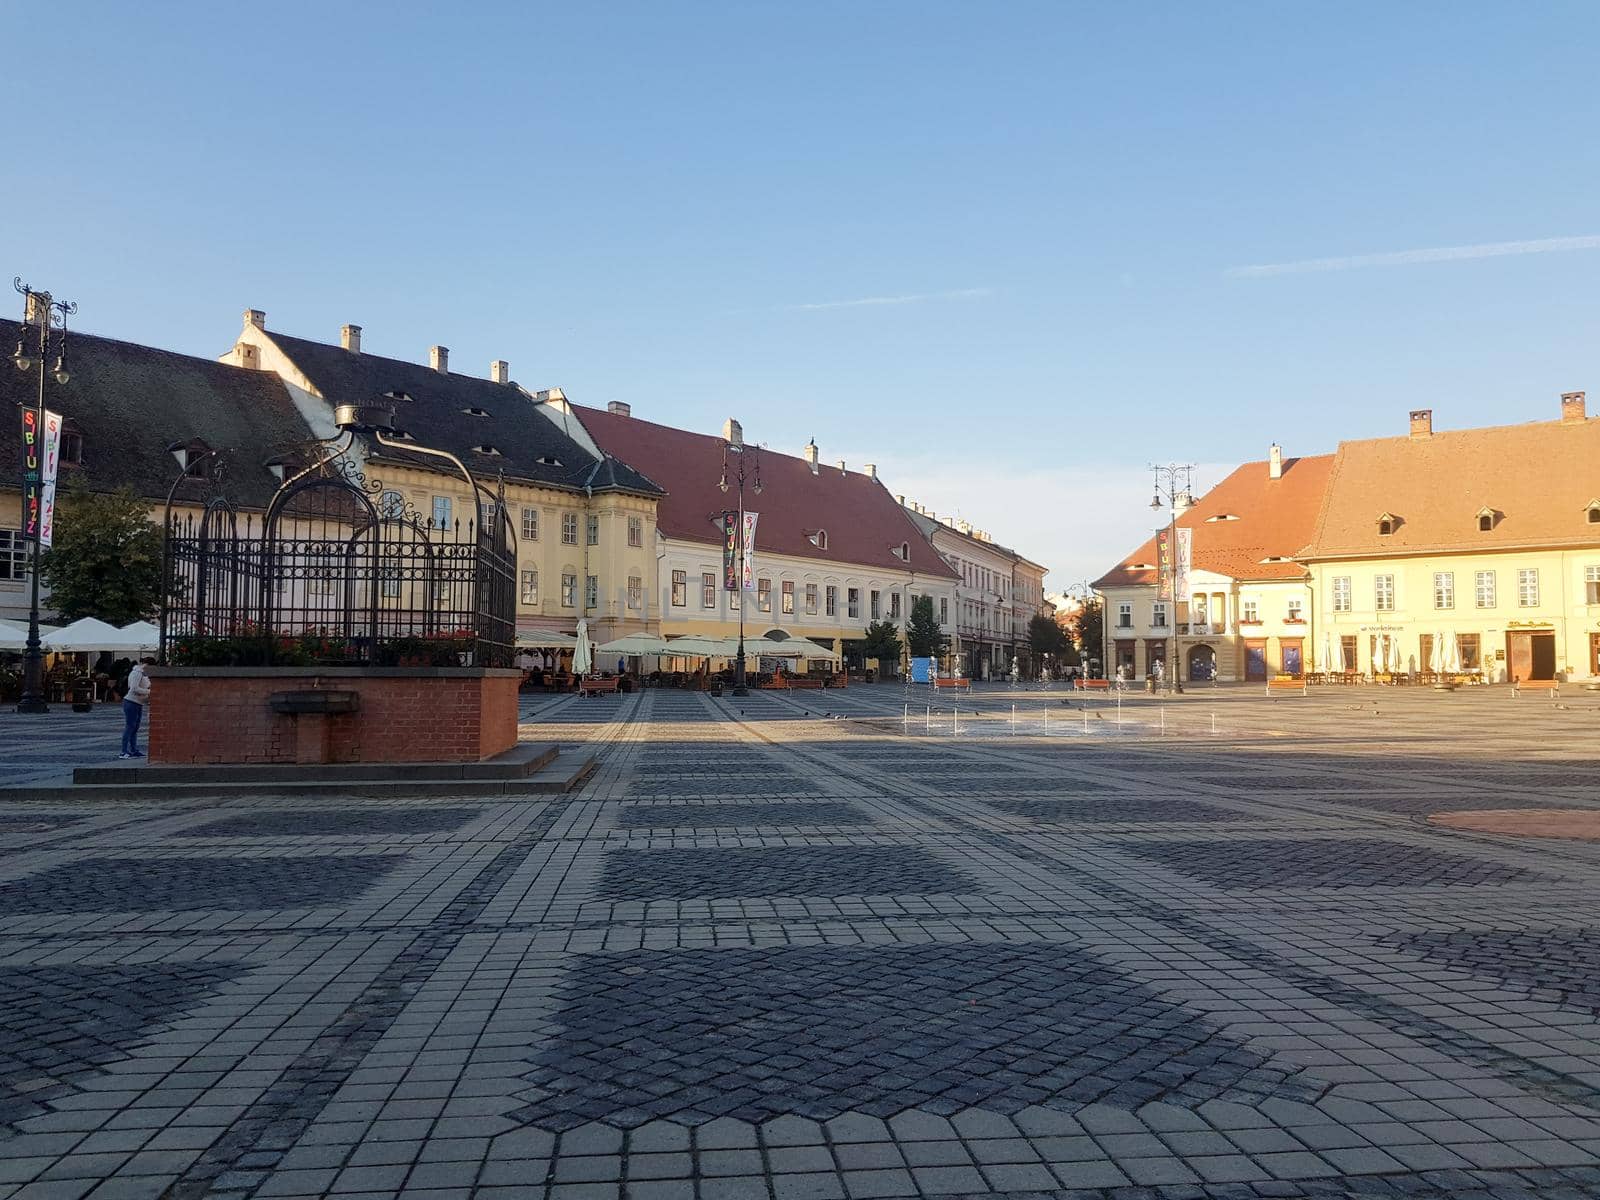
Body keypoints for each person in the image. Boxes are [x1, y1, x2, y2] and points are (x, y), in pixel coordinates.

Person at [120, 656, 155, 759]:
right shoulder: (137, 673)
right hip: (131, 702)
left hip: (138, 703)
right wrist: (150, 692)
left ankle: (133, 750)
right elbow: (134, 688)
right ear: (147, 665)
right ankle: (124, 751)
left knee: (135, 727)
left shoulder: (143, 674)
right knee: (130, 726)